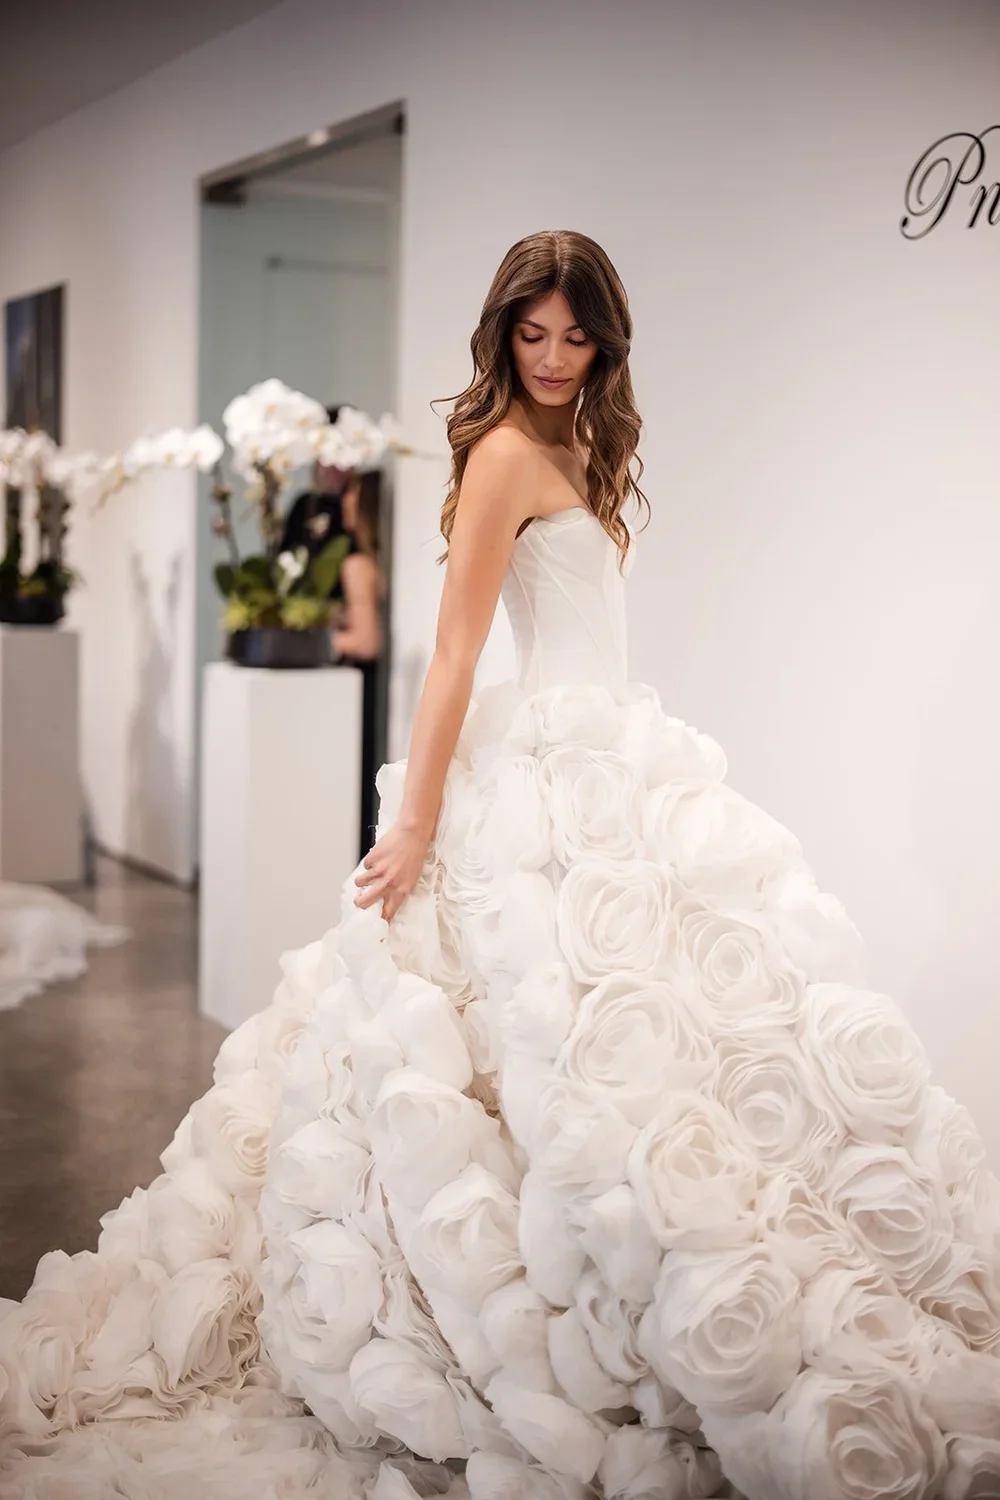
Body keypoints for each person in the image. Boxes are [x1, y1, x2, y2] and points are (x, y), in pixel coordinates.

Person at [1, 231, 999, 1500]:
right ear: (502, 336)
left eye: (573, 337)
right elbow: (460, 651)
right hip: (535, 768)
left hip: (616, 755)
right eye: (530, 335)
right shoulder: (502, 454)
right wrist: (414, 820)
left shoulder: (588, 441)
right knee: (533, 1036)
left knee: (660, 1035)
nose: (550, 357)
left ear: (605, 342)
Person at [282, 423, 387, 859]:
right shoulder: (303, 509)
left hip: (344, 673)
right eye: (325, 453)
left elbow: (367, 636)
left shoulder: (357, 553)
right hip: (314, 669)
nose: (333, 465)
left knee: (342, 781)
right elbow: (286, 582)